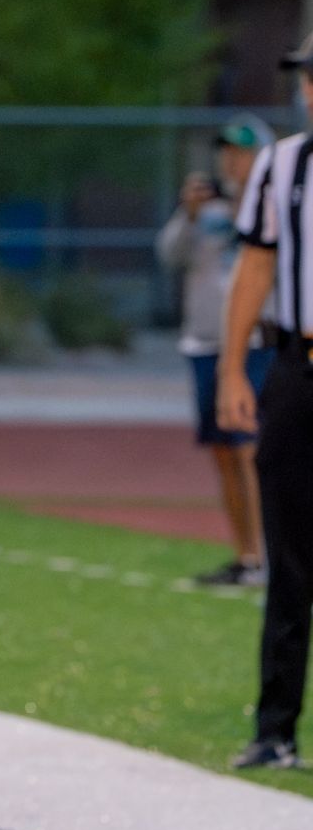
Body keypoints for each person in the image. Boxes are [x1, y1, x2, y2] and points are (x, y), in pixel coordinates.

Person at [220, 38, 313, 769]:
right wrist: (231, 370)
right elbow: (254, 267)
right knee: (290, 553)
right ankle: (275, 727)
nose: (309, 90)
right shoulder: (284, 166)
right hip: (299, 362)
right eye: (307, 77)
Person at [157, 118, 272, 588]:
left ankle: (268, 557)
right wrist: (187, 214)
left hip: (255, 345)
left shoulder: (270, 205)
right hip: (204, 343)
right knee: (224, 453)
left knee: (250, 451)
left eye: (242, 152)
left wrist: (250, 201)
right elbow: (169, 256)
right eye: (226, 151)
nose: (231, 160)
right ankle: (245, 557)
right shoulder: (203, 210)